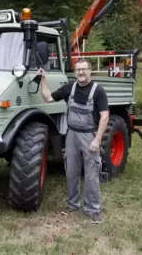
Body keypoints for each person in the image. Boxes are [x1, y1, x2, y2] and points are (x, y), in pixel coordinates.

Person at [37, 58, 109, 224]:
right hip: (72, 135)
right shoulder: (70, 88)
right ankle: (72, 204)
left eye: (84, 69)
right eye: (78, 69)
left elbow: (104, 116)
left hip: (89, 136)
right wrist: (43, 80)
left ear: (90, 71)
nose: (81, 72)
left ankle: (92, 209)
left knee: (91, 174)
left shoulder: (98, 91)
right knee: (71, 171)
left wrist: (97, 139)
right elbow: (47, 98)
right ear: (75, 72)